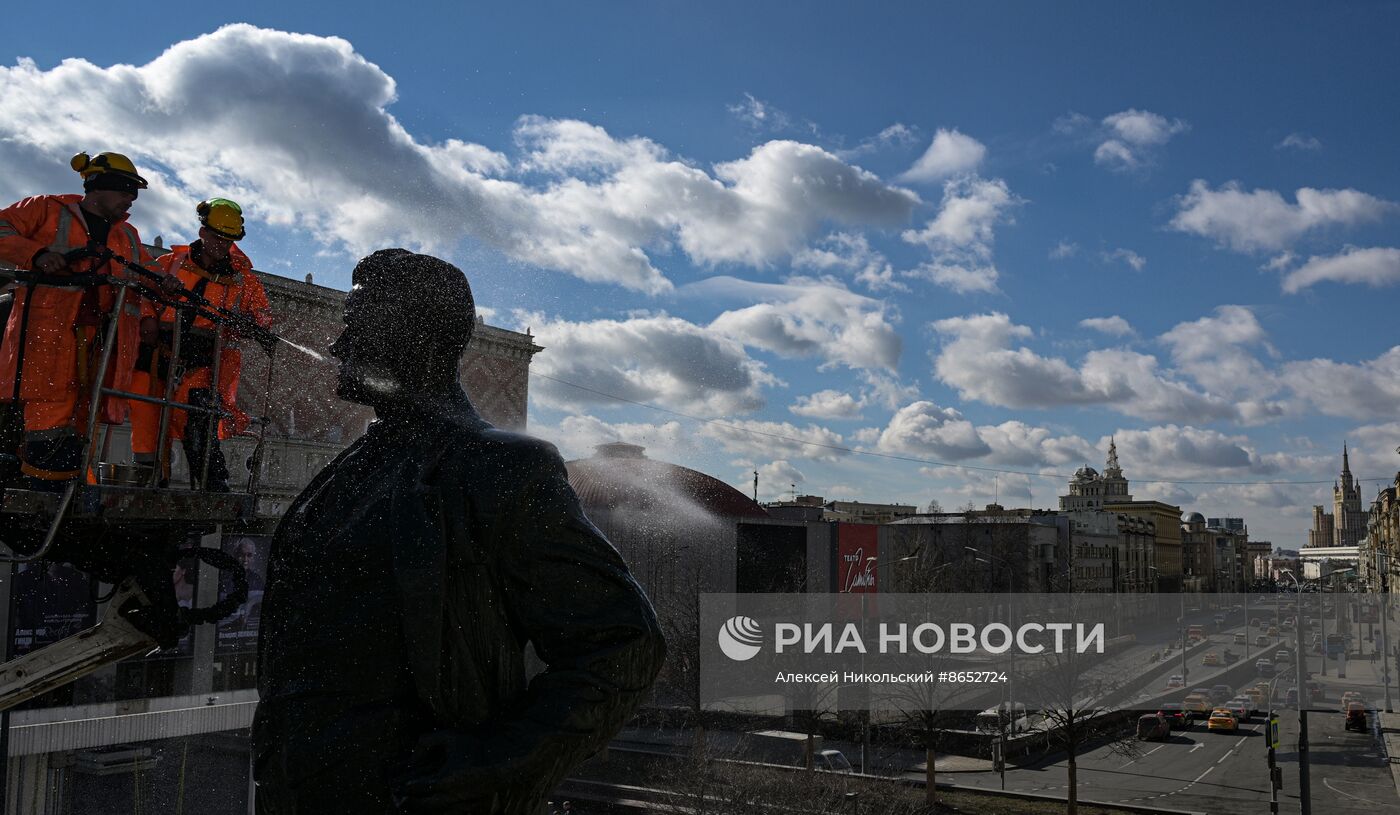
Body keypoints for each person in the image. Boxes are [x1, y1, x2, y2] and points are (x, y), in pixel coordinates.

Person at [252, 249, 666, 814]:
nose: (336, 346)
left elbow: (622, 641)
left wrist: (502, 762)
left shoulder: (494, 467)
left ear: (414, 338)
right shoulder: (354, 469)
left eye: (355, 325)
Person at [0, 152, 162, 488]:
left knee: (81, 420)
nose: (130, 201)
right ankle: (43, 492)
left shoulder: (127, 235)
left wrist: (165, 282)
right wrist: (38, 255)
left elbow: (148, 270)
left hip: (100, 346)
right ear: (100, 188)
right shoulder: (46, 209)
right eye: (125, 192)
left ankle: (67, 489)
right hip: (46, 339)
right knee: (48, 413)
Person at [129, 198, 271, 490]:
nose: (222, 245)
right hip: (156, 354)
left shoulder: (244, 281)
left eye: (228, 240)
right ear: (203, 232)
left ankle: (212, 485)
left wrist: (251, 324)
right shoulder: (171, 263)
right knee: (149, 420)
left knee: (199, 420)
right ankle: (150, 482)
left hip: (203, 360)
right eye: (218, 237)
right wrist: (147, 320)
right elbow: (141, 294)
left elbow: (264, 317)